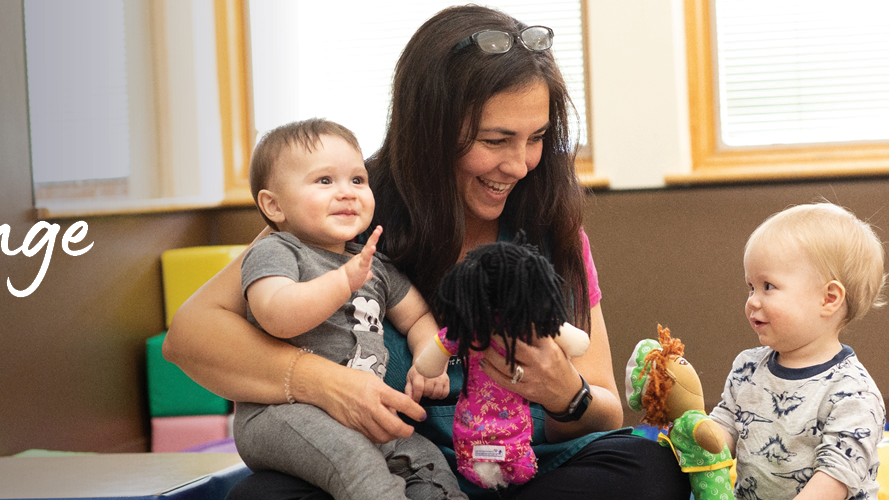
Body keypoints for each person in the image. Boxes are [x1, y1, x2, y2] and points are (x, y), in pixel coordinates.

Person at [162, 5, 688, 499]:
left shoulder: (549, 223)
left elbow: (604, 409)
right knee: (264, 494)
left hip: (525, 471)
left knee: (650, 468)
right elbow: (189, 337)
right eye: (495, 140)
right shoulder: (350, 207)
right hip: (392, 473)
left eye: (536, 138)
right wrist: (328, 384)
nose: (520, 165)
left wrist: (565, 393)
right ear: (429, 129)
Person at [234, 118, 464, 500]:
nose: (347, 193)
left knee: (427, 462)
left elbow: (418, 317)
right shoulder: (276, 251)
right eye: (324, 181)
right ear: (273, 205)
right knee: (358, 464)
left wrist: (430, 359)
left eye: (358, 180)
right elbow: (276, 313)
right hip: (281, 412)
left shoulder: (373, 265)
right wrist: (342, 282)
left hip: (361, 414)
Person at [707, 202, 887, 500]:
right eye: (751, 287)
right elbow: (724, 430)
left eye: (768, 286)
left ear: (828, 298)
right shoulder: (747, 367)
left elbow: (833, 481)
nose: (752, 301)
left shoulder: (853, 392)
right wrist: (694, 434)